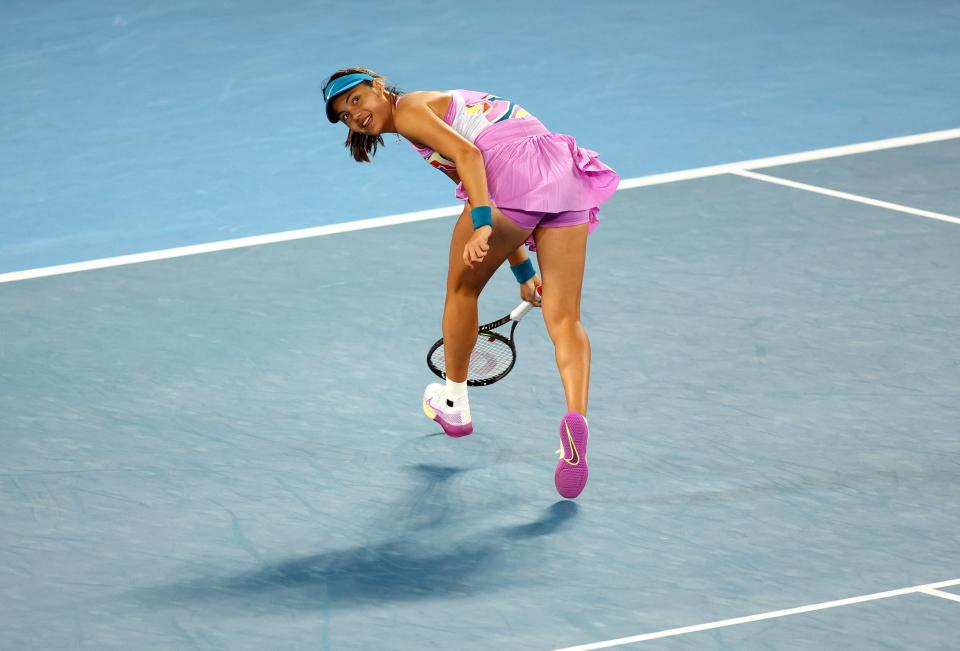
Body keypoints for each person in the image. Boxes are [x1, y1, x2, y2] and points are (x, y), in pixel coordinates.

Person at [322, 67, 619, 498]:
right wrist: (523, 270)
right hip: (562, 171)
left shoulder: (408, 111)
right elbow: (474, 180)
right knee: (564, 317)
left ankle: (454, 404)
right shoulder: (427, 116)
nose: (355, 115)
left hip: (510, 174)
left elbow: (472, 159)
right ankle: (576, 420)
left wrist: (482, 225)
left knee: (462, 290)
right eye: (345, 116)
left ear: (379, 87)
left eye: (356, 100)